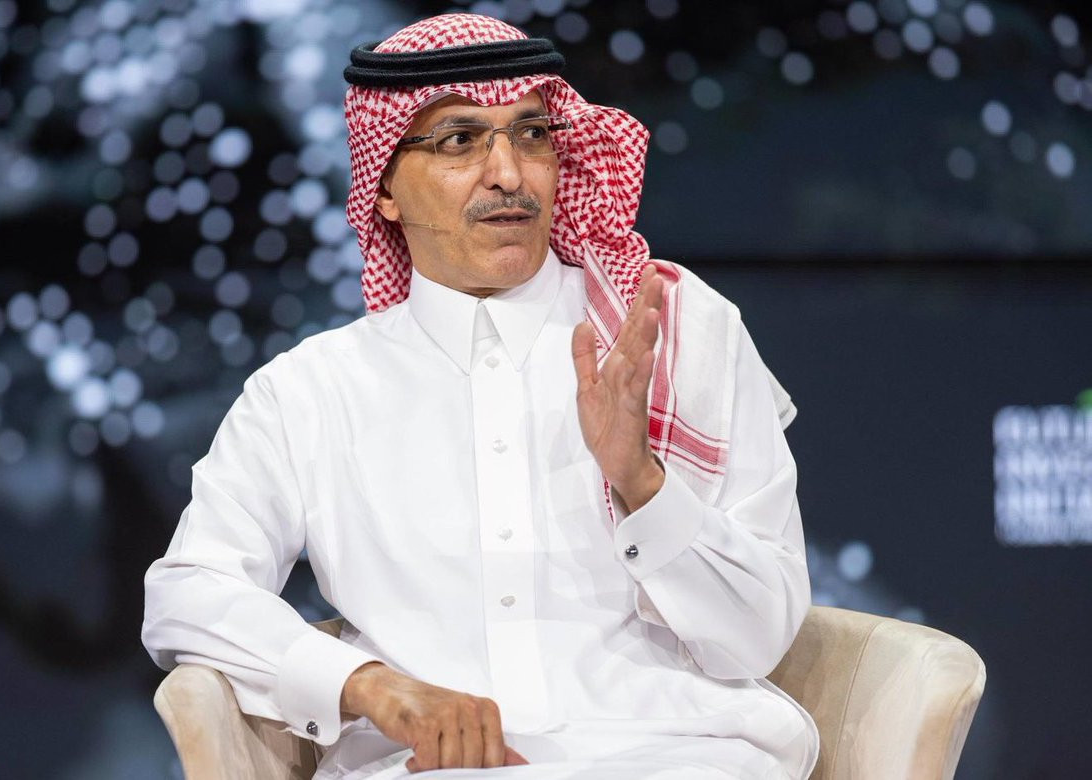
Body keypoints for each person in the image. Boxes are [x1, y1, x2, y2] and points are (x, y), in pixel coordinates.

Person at [142, 13, 819, 780]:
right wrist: (367, 686)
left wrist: (642, 483)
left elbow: (759, 636)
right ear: (383, 188)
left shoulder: (670, 329)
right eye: (459, 140)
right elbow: (188, 592)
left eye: (530, 135)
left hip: (677, 757)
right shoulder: (311, 391)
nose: (509, 174)